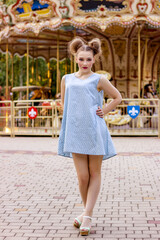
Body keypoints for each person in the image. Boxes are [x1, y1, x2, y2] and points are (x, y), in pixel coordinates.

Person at [58, 37, 122, 236]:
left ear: (94, 59)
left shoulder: (99, 79)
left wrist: (104, 109)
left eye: (88, 59)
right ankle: (87, 213)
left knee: (94, 173)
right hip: (75, 130)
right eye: (81, 59)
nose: (84, 63)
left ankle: (86, 217)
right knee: (82, 176)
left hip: (94, 129)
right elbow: (63, 103)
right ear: (75, 58)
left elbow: (118, 97)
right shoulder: (66, 79)